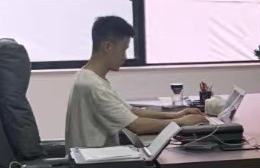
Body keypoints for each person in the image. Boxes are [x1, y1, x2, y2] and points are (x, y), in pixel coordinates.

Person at [65, 16, 206, 148]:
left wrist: (177, 114)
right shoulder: (94, 86)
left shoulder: (87, 76)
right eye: (123, 49)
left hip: (92, 158)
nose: (125, 57)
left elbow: (132, 111)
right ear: (108, 47)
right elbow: (137, 126)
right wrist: (181, 122)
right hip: (96, 163)